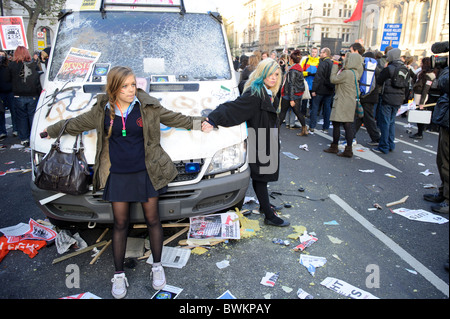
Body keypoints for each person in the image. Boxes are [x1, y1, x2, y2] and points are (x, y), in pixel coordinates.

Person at [43, 66, 204, 299]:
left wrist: (202, 123)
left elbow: (176, 118)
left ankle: (157, 266)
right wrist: (50, 130)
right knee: (119, 225)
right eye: (125, 86)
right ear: (114, 88)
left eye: (133, 85)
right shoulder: (102, 110)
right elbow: (76, 123)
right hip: (118, 175)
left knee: (153, 220)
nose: (131, 90)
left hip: (147, 172)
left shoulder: (146, 107)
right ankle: (119, 275)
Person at [202, 58, 290, 227]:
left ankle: (265, 208)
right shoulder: (255, 94)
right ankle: (269, 215)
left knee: (262, 176)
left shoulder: (267, 91)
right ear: (262, 74)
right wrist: (213, 118)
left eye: (277, 74)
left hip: (266, 136)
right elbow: (233, 108)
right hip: (259, 139)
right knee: (261, 178)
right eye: (270, 74)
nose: (273, 77)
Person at [323, 52, 363, 158]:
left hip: (342, 101)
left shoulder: (346, 73)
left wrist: (335, 65)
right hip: (350, 102)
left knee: (337, 124)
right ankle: (348, 149)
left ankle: (334, 146)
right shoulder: (356, 72)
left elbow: (333, 79)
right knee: (348, 125)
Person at [372, 48, 408, 154]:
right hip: (398, 99)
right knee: (392, 122)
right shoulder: (405, 69)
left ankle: (383, 146)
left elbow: (379, 81)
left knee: (385, 122)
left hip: (387, 98)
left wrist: (383, 69)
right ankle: (391, 144)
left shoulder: (389, 68)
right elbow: (407, 86)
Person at [423, 63, 448, 214]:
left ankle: (448, 198)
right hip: (446, 121)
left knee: (447, 162)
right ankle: (443, 193)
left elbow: (444, 83)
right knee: (442, 160)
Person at [7, 46, 42, 146]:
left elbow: (8, 79)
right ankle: (34, 136)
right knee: (32, 116)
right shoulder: (33, 64)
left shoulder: (12, 65)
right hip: (32, 94)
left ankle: (24, 138)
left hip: (18, 94)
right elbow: (37, 80)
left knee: (21, 117)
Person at [353, 51, 381, 145]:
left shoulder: (369, 69)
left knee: (367, 118)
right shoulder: (376, 69)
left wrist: (362, 95)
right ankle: (351, 134)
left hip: (367, 97)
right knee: (360, 116)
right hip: (372, 96)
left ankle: (376, 137)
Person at [278, 50, 306, 135]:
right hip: (297, 94)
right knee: (298, 112)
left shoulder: (292, 70)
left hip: (289, 95)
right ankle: (304, 129)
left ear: (291, 59)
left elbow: (291, 85)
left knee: (282, 113)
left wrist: (291, 99)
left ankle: (274, 132)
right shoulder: (299, 68)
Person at [409, 57, 437, 139]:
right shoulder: (422, 73)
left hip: (421, 97)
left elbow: (425, 90)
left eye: (422, 63)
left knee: (420, 115)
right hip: (417, 95)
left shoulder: (429, 76)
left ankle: (420, 133)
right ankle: (419, 132)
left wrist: (422, 103)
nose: (420, 64)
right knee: (418, 115)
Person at [310, 47, 335, 133]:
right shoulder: (332, 63)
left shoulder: (323, 63)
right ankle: (326, 127)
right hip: (329, 89)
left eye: (321, 52)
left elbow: (318, 77)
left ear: (325, 54)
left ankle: (312, 126)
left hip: (320, 89)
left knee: (315, 107)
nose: (319, 54)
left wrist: (314, 89)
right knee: (327, 109)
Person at [300, 47, 320, 132]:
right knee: (304, 101)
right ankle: (303, 119)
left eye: (315, 52)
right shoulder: (306, 60)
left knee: (313, 104)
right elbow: (301, 70)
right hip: (306, 84)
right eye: (313, 52)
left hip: (314, 86)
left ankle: (311, 119)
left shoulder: (319, 61)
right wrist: (307, 73)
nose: (314, 53)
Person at [1, 50, 17, 140]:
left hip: (10, 91)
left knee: (14, 111)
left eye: (2, 55)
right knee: (1, 113)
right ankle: (2, 131)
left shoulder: (10, 65)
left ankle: (15, 129)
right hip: (1, 92)